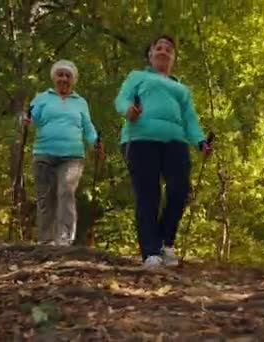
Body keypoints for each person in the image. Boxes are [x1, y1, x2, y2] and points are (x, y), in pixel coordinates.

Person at [114, 35, 212, 268]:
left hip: (175, 142)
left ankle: (165, 243)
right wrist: (128, 110)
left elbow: (190, 120)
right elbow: (122, 98)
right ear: (150, 55)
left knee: (180, 190)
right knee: (148, 195)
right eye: (158, 48)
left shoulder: (181, 89)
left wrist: (200, 142)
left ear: (173, 58)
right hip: (140, 139)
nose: (163, 51)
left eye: (168, 49)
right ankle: (150, 252)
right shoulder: (138, 76)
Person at [23, 59, 103, 246]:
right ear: (54, 77)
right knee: (45, 197)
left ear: (73, 80)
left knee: (66, 192)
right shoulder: (43, 98)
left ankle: (65, 240)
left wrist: (95, 141)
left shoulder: (80, 102)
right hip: (44, 153)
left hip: (72, 155)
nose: (64, 79)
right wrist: (25, 121)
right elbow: (29, 118)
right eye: (60, 75)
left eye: (68, 76)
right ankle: (46, 240)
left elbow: (88, 127)